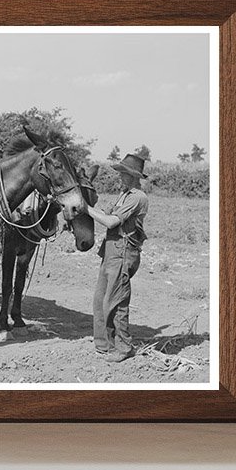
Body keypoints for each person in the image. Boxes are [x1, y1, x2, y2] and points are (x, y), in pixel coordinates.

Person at [84, 153, 149, 362]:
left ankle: (123, 347)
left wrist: (86, 209)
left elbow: (111, 222)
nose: (119, 176)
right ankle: (103, 344)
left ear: (133, 176)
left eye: (123, 173)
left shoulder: (137, 197)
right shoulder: (124, 194)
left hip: (122, 253)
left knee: (116, 301)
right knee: (100, 300)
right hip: (111, 251)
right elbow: (105, 212)